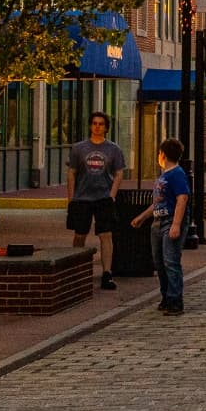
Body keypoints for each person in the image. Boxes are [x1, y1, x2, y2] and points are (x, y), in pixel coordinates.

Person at [66, 111, 125, 291]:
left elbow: (119, 172)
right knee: (79, 234)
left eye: (101, 124)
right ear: (90, 126)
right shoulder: (79, 148)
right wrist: (71, 199)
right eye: (94, 123)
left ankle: (107, 273)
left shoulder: (113, 149)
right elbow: (72, 173)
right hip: (82, 197)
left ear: (106, 128)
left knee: (106, 235)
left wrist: (112, 195)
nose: (97, 126)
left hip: (103, 197)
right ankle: (76, 270)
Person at [132, 139, 190, 316]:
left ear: (163, 155)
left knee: (170, 261)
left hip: (170, 220)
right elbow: (157, 202)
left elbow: (182, 199)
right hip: (158, 220)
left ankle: (175, 300)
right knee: (160, 262)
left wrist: (176, 224)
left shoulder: (177, 174)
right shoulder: (163, 176)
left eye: (159, 153)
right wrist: (142, 217)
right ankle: (166, 296)